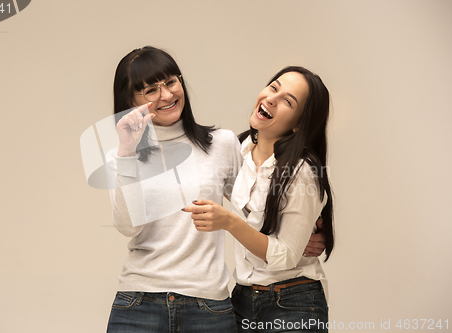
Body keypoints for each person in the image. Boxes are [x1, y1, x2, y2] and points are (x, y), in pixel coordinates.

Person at [106, 46, 326, 332]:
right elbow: (128, 226)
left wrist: (309, 232)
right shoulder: (121, 157)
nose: (167, 95)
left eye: (171, 82)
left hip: (208, 307)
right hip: (137, 302)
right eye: (150, 90)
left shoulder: (221, 143)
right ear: (130, 100)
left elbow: (255, 206)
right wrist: (127, 152)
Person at [183, 66, 334, 332]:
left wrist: (230, 222)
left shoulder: (302, 171)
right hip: (242, 300)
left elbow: (286, 256)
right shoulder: (239, 151)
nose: (271, 99)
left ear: (300, 122)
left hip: (293, 301)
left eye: (288, 101)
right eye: (273, 87)